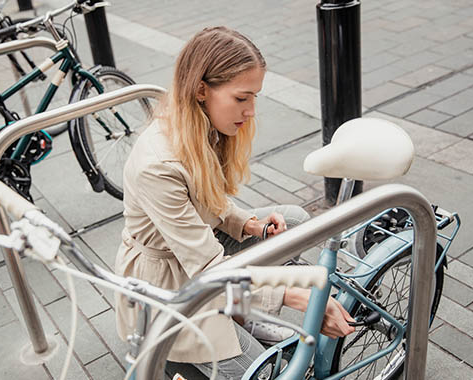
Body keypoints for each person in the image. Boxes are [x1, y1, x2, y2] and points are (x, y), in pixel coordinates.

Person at [114, 26, 355, 379]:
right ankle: (182, 351)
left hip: (197, 255)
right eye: (242, 99)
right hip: (170, 281)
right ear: (201, 90)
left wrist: (247, 224)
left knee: (295, 221)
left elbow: (205, 202)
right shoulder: (158, 166)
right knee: (261, 372)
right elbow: (209, 270)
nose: (251, 111)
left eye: (255, 97)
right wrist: (296, 296)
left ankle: (237, 314)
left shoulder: (199, 125)